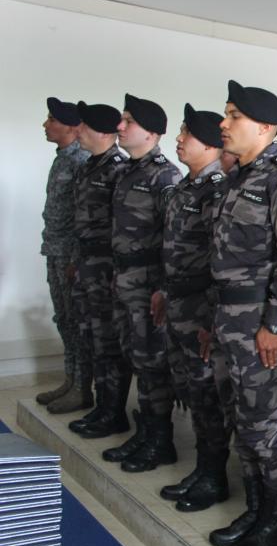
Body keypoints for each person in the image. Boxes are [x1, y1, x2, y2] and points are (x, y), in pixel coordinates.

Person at [206, 80, 277, 546]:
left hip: (260, 324)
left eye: (234, 116)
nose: (224, 124)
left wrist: (275, 323)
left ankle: (276, 520)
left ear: (266, 128)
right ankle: (254, 510)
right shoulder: (235, 179)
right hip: (227, 318)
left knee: (263, 428)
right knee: (240, 421)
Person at [97, 94, 182, 474]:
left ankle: (160, 441)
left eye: (128, 121)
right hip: (125, 280)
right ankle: (146, 432)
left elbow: (172, 240)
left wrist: (162, 289)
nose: (120, 126)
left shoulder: (165, 176)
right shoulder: (127, 172)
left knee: (153, 363)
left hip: (148, 286)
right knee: (134, 357)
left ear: (151, 132)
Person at [155, 104, 231, 512]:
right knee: (190, 389)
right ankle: (202, 469)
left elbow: (221, 262)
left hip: (201, 309)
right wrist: (163, 289)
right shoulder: (186, 187)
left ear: (210, 144)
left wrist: (211, 319)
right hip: (178, 302)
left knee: (207, 395)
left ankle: (214, 476)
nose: (179, 139)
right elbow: (172, 248)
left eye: (187, 133)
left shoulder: (218, 190)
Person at [67, 103, 133, 437]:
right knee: (91, 337)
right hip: (87, 264)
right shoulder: (88, 166)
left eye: (84, 126)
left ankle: (114, 412)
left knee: (109, 341)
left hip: (107, 268)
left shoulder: (118, 169)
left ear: (104, 132)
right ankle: (102, 405)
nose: (78, 130)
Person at [37, 97, 91, 412]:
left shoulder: (81, 160)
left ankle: (82, 387)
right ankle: (71, 380)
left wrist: (75, 259)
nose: (46, 124)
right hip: (55, 250)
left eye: (52, 119)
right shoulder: (62, 158)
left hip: (70, 257)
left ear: (72, 127)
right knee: (64, 320)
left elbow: (85, 217)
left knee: (76, 321)